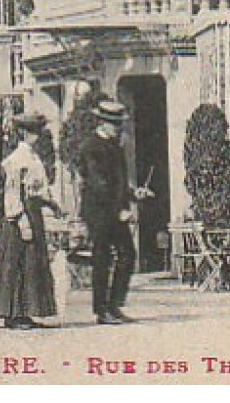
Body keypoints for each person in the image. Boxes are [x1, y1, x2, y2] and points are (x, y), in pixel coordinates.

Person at [78, 97, 153, 325]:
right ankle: (102, 311)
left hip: (115, 210)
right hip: (99, 213)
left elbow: (117, 182)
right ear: (102, 123)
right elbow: (99, 185)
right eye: (114, 124)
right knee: (102, 258)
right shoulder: (90, 147)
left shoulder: (115, 147)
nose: (118, 128)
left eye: (119, 124)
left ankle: (115, 305)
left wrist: (133, 193)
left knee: (128, 255)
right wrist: (119, 210)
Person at [0, 115, 57, 329]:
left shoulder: (33, 157)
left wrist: (51, 205)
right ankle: (13, 314)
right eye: (35, 132)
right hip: (21, 215)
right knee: (18, 263)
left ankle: (26, 312)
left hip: (33, 211)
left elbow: (36, 189)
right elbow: (13, 191)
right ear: (25, 133)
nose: (38, 136)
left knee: (32, 263)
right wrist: (20, 220)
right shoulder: (17, 158)